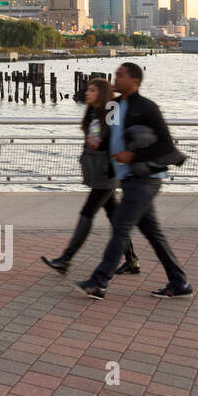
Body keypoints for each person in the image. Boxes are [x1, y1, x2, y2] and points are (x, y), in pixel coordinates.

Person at [75, 62, 193, 300]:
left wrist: (133, 155)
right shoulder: (114, 105)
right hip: (126, 177)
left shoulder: (147, 108)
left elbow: (166, 145)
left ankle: (99, 282)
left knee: (120, 226)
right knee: (153, 234)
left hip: (146, 178)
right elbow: (105, 136)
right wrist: (96, 143)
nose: (115, 79)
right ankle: (180, 282)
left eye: (120, 75)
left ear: (134, 81)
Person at [40, 77, 138, 275]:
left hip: (107, 172)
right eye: (88, 90)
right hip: (99, 170)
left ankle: (66, 259)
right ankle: (131, 260)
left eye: (92, 90)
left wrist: (100, 142)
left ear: (101, 93)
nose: (87, 93)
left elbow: (114, 138)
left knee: (87, 212)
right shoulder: (94, 111)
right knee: (114, 216)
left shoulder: (110, 111)